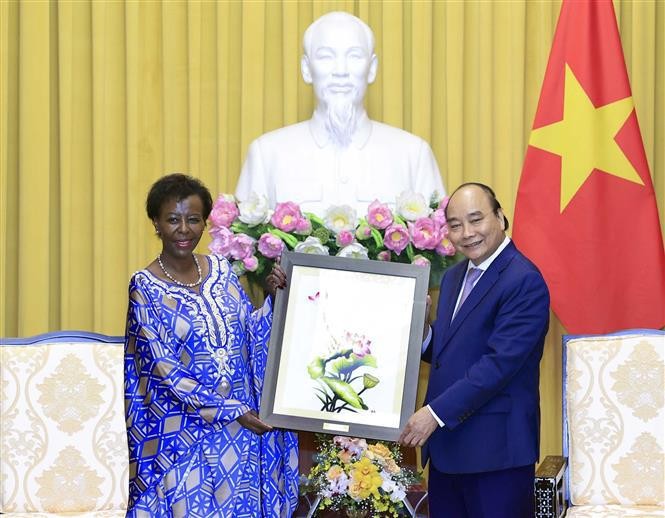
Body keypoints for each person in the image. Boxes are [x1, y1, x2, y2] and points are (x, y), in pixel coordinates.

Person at [123, 173, 298, 517]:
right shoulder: (144, 287)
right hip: (186, 435)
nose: (184, 229)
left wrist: (274, 301)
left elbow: (249, 335)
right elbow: (162, 369)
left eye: (193, 219)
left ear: (204, 223)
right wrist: (231, 410)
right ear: (156, 224)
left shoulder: (221, 270)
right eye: (173, 220)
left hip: (243, 431)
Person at [399, 182, 550, 518]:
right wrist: (423, 330)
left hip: (496, 455)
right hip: (448, 452)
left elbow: (498, 365)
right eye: (455, 225)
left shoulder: (524, 280)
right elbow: (448, 351)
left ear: (500, 217)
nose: (466, 233)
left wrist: (433, 414)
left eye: (476, 220)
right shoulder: (453, 278)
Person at [235, 11, 445, 216]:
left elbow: (436, 242)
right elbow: (245, 243)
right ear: (306, 69)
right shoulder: (267, 153)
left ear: (371, 68)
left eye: (354, 56)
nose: (341, 71)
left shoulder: (413, 154)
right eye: (326, 57)